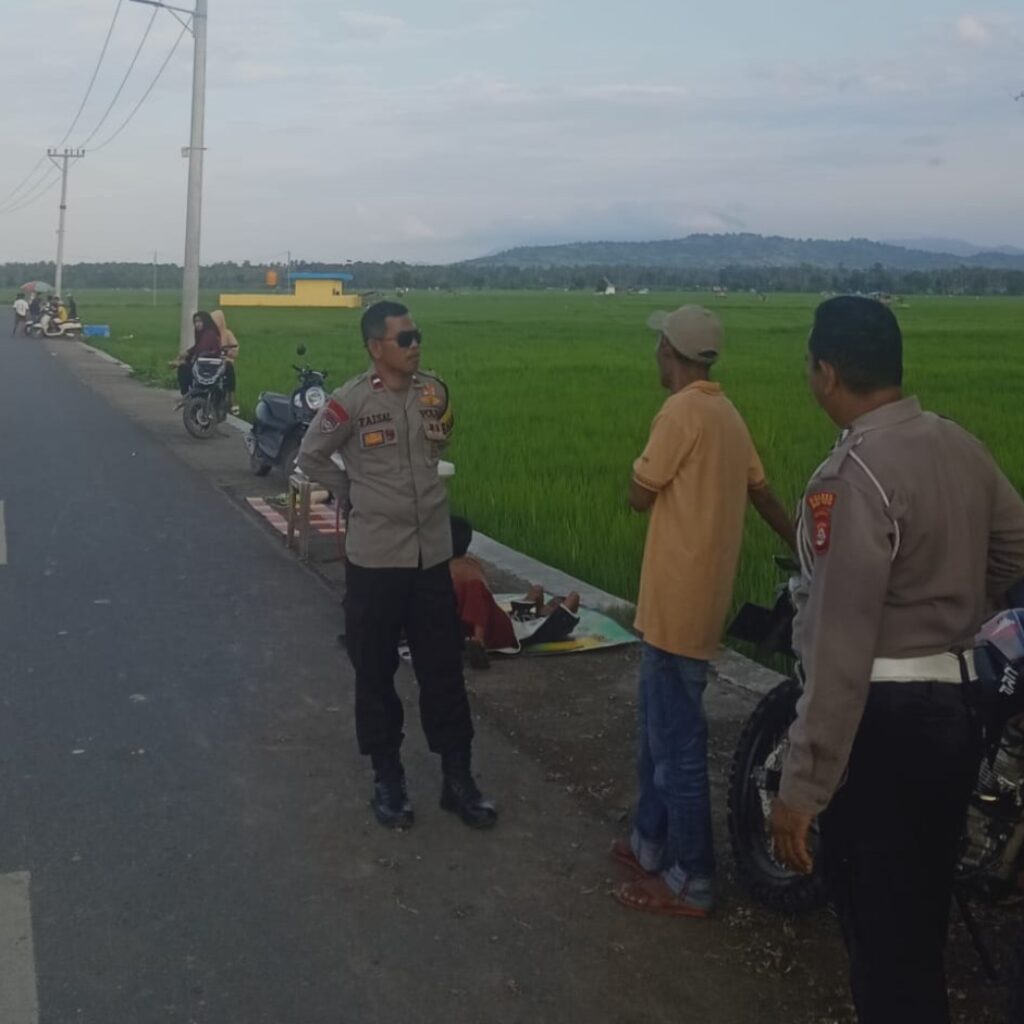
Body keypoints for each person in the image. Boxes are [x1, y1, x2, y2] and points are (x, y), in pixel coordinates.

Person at [769, 296, 1024, 1023]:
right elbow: (1014, 549)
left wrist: (802, 786)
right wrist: (953, 604)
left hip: (883, 729)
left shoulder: (852, 476)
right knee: (920, 924)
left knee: (882, 944)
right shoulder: (959, 444)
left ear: (827, 372)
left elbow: (840, 646)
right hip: (955, 718)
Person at [611, 305, 796, 919]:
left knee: (679, 750)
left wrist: (640, 475)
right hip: (696, 603)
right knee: (655, 732)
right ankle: (648, 841)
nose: (655, 354)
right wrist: (803, 545)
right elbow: (762, 493)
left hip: (676, 606)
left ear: (670, 351)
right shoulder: (726, 413)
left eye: (658, 345)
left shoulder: (680, 411)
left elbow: (639, 495)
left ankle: (692, 877)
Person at [296, 301, 497, 831]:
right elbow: (310, 455)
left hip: (430, 556)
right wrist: (353, 490)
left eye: (417, 336)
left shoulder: (434, 393)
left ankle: (458, 778)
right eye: (404, 339)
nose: (415, 346)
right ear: (375, 346)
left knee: (443, 671)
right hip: (376, 560)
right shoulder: (351, 401)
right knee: (375, 671)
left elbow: (439, 445)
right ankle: (388, 778)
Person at [449, 515, 581, 668]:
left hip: (502, 626)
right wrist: (542, 609)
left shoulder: (456, 567)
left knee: (532, 592)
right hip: (504, 627)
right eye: (555, 603)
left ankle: (478, 639)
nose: (554, 603)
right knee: (480, 594)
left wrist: (541, 609)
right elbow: (570, 597)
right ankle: (478, 639)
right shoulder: (471, 568)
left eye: (555, 604)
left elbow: (548, 594)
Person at [173, 311, 224, 396]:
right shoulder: (203, 334)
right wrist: (185, 354)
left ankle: (186, 395)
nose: (197, 324)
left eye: (200, 321)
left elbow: (202, 351)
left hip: (208, 367)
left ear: (206, 321)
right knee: (184, 368)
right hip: (203, 365)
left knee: (183, 369)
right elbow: (196, 347)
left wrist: (183, 362)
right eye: (195, 322)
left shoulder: (209, 334)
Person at [210, 309, 239, 414]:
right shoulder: (209, 335)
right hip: (212, 361)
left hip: (224, 361)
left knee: (229, 368)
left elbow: (235, 349)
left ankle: (231, 399)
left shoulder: (227, 334)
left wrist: (227, 352)